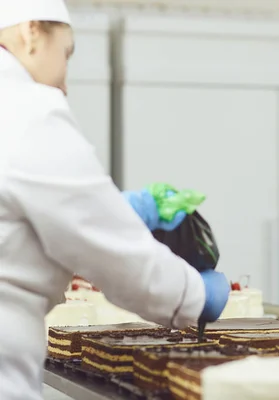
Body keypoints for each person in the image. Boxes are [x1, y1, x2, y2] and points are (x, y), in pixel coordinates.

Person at [0, 1, 230, 398]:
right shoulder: (26, 111)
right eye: (66, 54)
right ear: (32, 31)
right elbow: (119, 261)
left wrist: (118, 212)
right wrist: (196, 294)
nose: (65, 82)